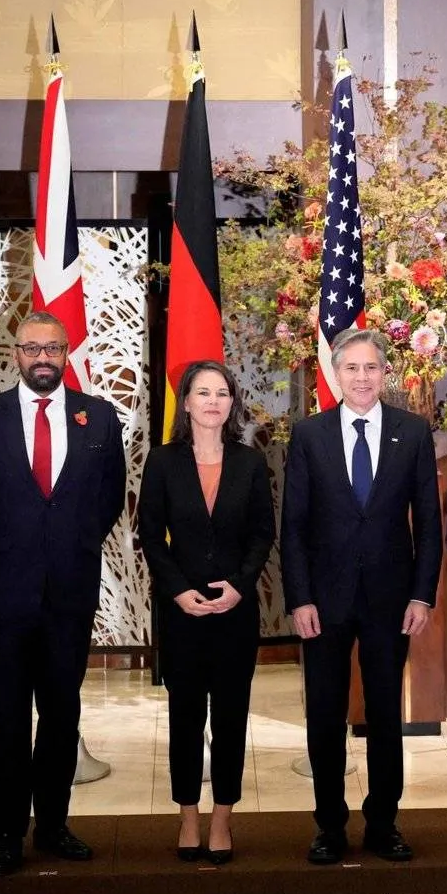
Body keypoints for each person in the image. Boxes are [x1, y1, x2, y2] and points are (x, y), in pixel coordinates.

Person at [0, 312, 127, 877]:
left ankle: (52, 826)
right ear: (17, 355)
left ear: (67, 352)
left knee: (60, 713)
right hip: (5, 595)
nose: (43, 358)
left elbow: (108, 499)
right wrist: (10, 550)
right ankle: (8, 833)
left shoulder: (99, 417)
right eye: (33, 349)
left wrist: (70, 546)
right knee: (3, 716)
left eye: (53, 348)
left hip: (70, 594)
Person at [281, 329, 442, 865]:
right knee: (325, 715)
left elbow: (429, 524)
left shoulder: (411, 433)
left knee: (384, 714)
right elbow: (293, 526)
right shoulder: (309, 435)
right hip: (323, 602)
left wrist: (422, 596)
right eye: (351, 368)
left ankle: (383, 823)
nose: (362, 377)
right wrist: (300, 598)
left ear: (385, 373)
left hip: (391, 600)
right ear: (335, 373)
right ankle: (329, 825)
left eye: (372, 367)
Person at [137, 361, 274, 865]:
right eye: (203, 392)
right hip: (183, 614)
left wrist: (240, 586)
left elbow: (262, 533)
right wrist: (177, 591)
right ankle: (189, 817)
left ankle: (222, 819)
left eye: (222, 393)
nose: (213, 401)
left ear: (231, 403)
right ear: (187, 402)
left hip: (236, 611)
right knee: (186, 718)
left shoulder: (250, 462)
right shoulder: (162, 461)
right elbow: (151, 536)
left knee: (232, 718)